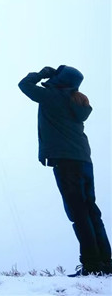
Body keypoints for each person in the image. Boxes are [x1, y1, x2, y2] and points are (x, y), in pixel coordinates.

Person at [19, 65, 111, 277]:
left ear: (61, 80)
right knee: (91, 211)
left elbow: (24, 85)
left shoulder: (52, 96)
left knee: (78, 213)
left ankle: (92, 264)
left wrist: (43, 74)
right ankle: (106, 262)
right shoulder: (76, 101)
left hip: (66, 163)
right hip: (84, 161)